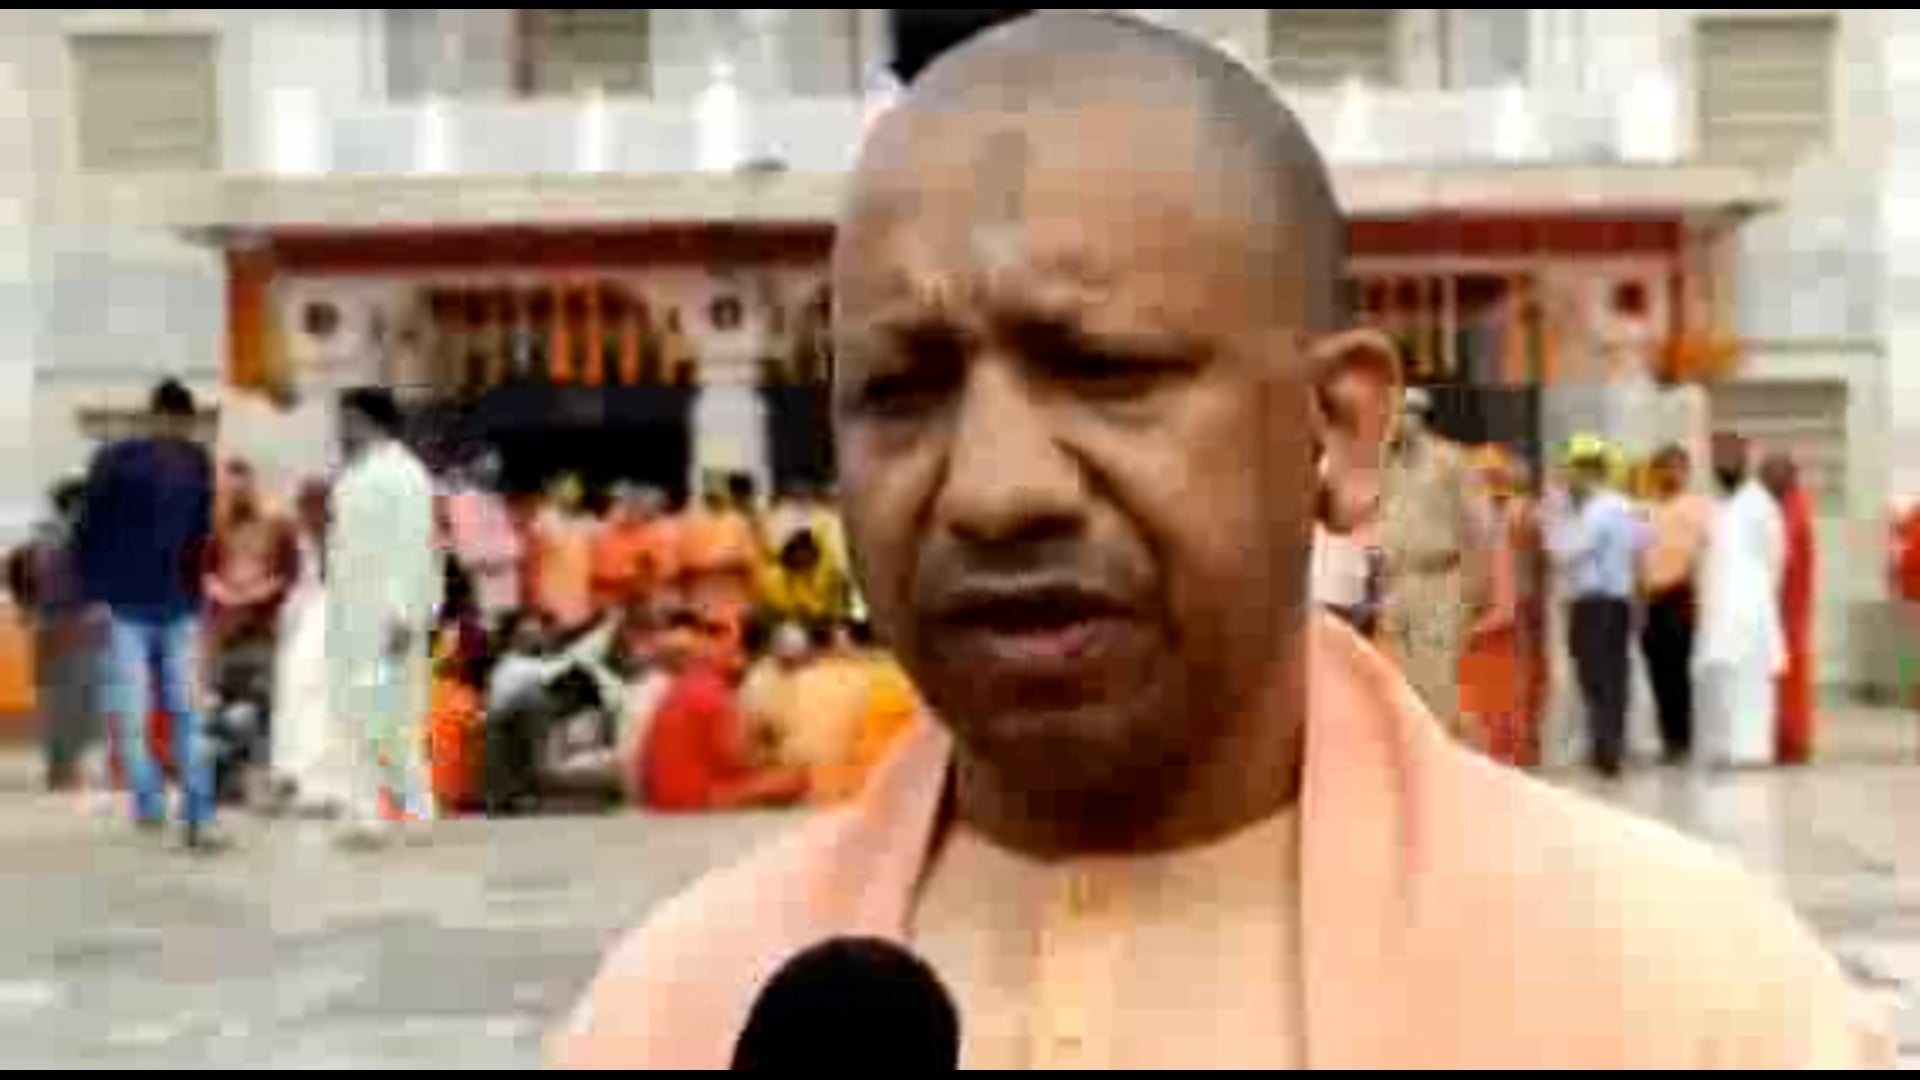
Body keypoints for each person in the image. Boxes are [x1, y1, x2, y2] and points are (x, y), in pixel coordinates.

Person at [558, 13, 1884, 1069]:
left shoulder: (1686, 1005)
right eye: (901, 392)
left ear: (1340, 431)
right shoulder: (681, 1008)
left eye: (1107, 371)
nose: (994, 492)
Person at [74, 379, 221, 851]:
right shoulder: (176, 462)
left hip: (148, 606)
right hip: (151, 607)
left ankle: (171, 807)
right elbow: (90, 530)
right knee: (173, 715)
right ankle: (177, 807)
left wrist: (94, 595)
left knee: (151, 715)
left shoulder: (125, 459)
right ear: (172, 417)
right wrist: (95, 596)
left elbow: (87, 532)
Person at [328, 388, 441, 848]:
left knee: (391, 714)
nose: (340, 429)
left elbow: (416, 548)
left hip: (387, 618)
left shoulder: (405, 474)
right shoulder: (355, 474)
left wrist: (404, 613)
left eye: (345, 419)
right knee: (363, 712)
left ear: (365, 419)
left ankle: (402, 809)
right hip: (353, 614)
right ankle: (380, 809)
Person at [1378, 388, 1494, 746]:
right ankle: (1418, 758)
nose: (1397, 422)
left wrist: (1479, 582)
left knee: (1437, 680)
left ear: (1419, 417)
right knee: (1400, 682)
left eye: (1404, 414)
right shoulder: (1383, 463)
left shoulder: (1450, 461)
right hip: (1394, 581)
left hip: (1438, 579)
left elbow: (1478, 525)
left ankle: (1443, 758)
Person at [636, 609, 808, 815]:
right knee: (790, 780)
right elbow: (737, 761)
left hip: (669, 800)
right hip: (695, 803)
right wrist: (768, 757)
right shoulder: (713, 693)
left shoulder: (688, 683)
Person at [1546, 438, 1648, 779]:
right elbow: (1641, 551)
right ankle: (1609, 748)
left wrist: (1557, 510)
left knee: (1596, 679)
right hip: (1617, 603)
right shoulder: (1627, 507)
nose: (1567, 478)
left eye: (1570, 471)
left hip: (1595, 605)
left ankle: (1606, 752)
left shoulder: (1597, 510)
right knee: (1614, 678)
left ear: (1587, 471)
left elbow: (1565, 552)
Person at [1694, 434, 1787, 771]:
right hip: (1718, 612)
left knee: (1751, 684)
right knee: (1720, 680)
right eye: (1719, 459)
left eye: (1730, 458)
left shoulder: (1761, 504)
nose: (1724, 465)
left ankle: (1752, 751)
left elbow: (1776, 558)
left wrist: (1758, 599)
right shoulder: (1718, 507)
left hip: (1752, 610)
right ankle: (1725, 747)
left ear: (1744, 463)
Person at [9, 481, 105, 794]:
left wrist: (28, 608)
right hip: (74, 628)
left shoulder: (43, 540)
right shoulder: (69, 539)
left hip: (57, 629)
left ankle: (62, 769)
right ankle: (63, 771)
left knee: (62, 701)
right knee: (71, 702)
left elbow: (17, 572)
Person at [1639, 444, 1715, 764]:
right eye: (1663, 468)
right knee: (1657, 673)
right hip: (1649, 601)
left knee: (1679, 673)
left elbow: (1709, 554)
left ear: (1686, 472)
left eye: (1676, 468)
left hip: (1680, 597)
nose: (1669, 474)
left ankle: (1683, 742)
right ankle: (1669, 739)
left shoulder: (1700, 508)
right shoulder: (1644, 510)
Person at [1764, 453, 1819, 766]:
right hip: (1780, 608)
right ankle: (1783, 739)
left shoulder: (1795, 506)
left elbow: (1781, 553)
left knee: (1789, 677)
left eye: (1771, 473)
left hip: (1789, 609)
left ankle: (1793, 742)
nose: (1766, 480)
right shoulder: (1783, 506)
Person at [532, 475, 598, 632]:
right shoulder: (543, 518)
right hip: (549, 593)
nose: (570, 495)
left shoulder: (589, 522)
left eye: (574, 490)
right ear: (556, 492)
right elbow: (534, 559)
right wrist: (537, 597)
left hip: (579, 596)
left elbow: (598, 558)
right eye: (565, 489)